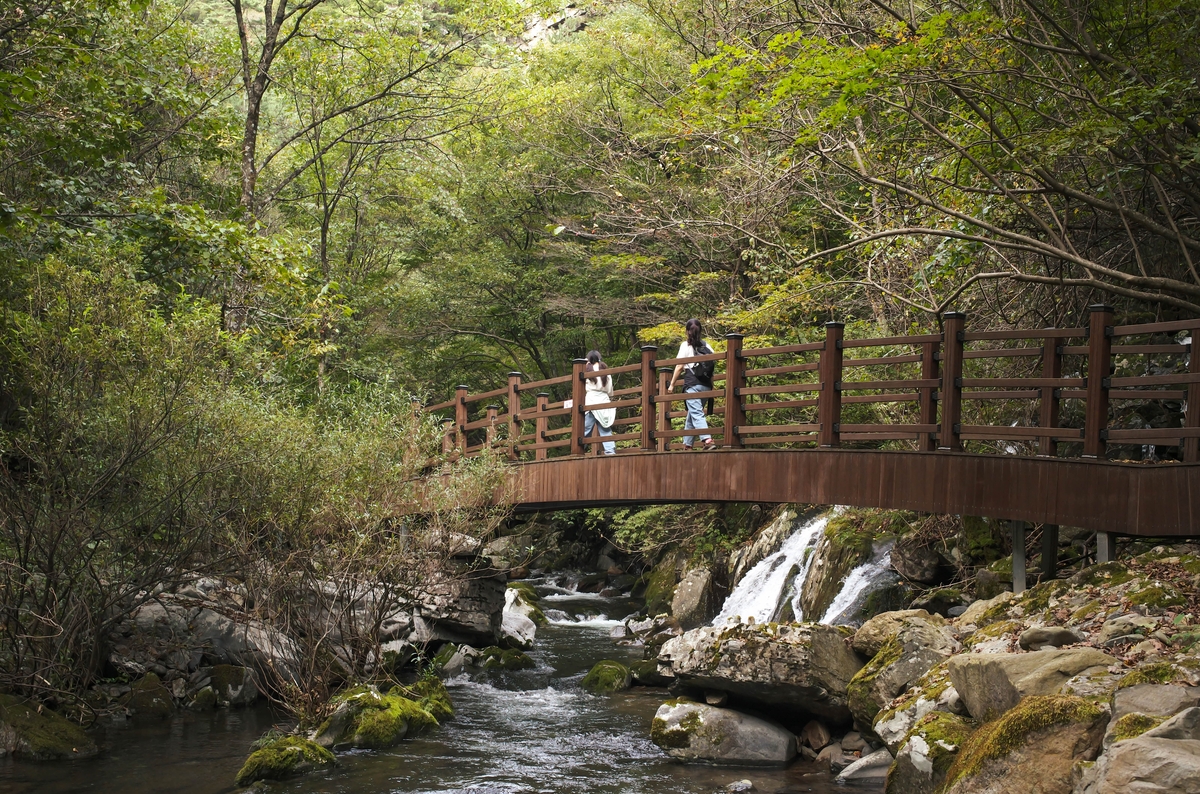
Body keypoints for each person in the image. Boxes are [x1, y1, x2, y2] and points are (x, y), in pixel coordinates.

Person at [668, 319, 716, 450]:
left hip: (692, 384)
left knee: (696, 412)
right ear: (700, 330)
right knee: (692, 413)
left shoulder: (685, 346)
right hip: (706, 385)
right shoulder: (707, 346)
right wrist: (712, 386)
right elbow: (711, 368)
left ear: (687, 331)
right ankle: (687, 445)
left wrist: (672, 384)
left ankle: (708, 440)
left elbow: (679, 366)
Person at [583, 350, 617, 455]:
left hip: (591, 401)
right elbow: (610, 390)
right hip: (603, 400)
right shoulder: (605, 370)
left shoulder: (587, 370)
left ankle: (578, 450)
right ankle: (610, 451)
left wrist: (585, 363)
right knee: (605, 428)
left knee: (585, 429)